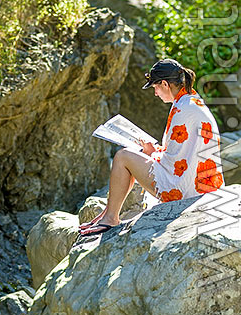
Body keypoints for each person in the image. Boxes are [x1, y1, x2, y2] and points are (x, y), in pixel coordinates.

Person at [76, 57, 224, 242]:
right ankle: (107, 214)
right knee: (132, 156)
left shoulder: (182, 110)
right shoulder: (191, 102)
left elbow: (174, 162)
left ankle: (111, 218)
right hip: (203, 186)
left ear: (165, 84)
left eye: (155, 87)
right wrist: (153, 150)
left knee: (123, 157)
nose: (155, 93)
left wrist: (151, 152)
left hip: (187, 190)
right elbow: (181, 155)